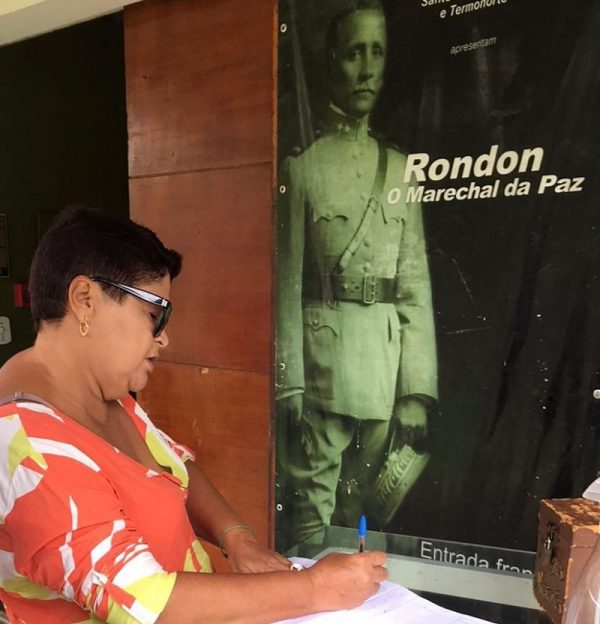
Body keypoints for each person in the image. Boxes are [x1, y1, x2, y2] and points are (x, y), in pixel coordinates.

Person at [0, 206, 387, 624]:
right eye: (154, 315)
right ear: (85, 300)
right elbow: (141, 602)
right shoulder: (25, 443)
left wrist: (236, 539)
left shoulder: (106, 394)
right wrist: (316, 588)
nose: (164, 337)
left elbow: (176, 469)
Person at [276, 0, 437, 546]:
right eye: (353, 54)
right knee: (311, 523)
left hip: (383, 372)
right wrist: (290, 382)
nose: (366, 69)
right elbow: (286, 286)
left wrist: (415, 392)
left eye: (377, 53)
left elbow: (414, 287)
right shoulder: (303, 168)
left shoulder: (400, 170)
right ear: (331, 63)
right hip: (322, 370)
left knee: (358, 517)